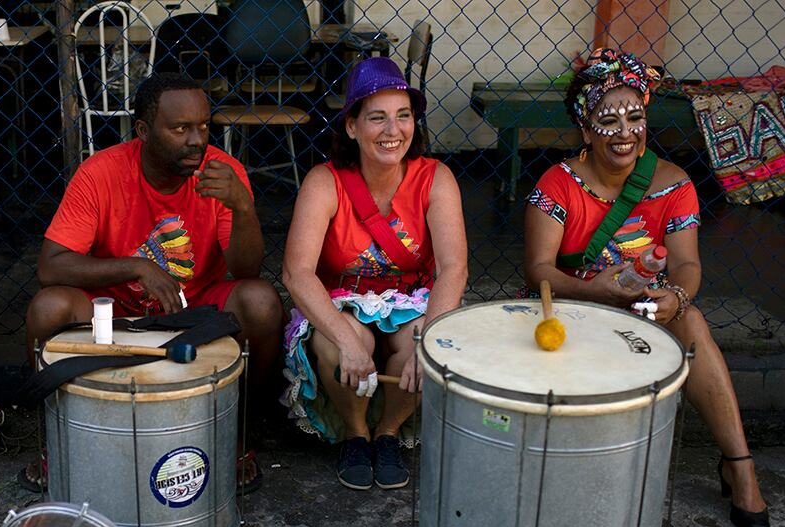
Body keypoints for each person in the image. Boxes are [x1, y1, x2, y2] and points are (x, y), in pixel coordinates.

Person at [524, 48, 770, 527]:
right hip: (573, 306)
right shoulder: (558, 184)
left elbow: (686, 264)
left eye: (635, 117)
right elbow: (537, 272)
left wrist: (676, 296)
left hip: (644, 308)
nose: (624, 132)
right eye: (608, 120)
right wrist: (594, 289)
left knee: (692, 321)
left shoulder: (673, 184)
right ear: (586, 127)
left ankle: (738, 463)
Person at [23, 72, 283, 493]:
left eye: (203, 126)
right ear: (143, 131)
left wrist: (243, 207)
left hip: (194, 310)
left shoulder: (222, 172)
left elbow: (247, 270)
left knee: (262, 302)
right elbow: (50, 267)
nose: (197, 140)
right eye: (180, 128)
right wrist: (136, 267)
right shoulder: (101, 173)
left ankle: (239, 435)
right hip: (115, 312)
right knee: (48, 307)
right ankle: (53, 442)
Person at [281, 57, 468, 490]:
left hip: (410, 301)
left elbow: (454, 267)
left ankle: (388, 431)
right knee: (339, 342)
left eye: (403, 117)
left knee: (422, 343)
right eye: (377, 118)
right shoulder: (324, 182)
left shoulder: (435, 178)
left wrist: (430, 342)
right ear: (352, 126)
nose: (392, 131)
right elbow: (297, 273)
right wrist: (347, 341)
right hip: (344, 302)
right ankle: (355, 431)